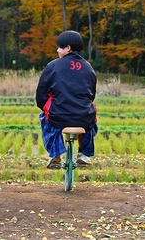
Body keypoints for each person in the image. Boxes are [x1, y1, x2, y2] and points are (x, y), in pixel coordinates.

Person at [35, 30, 98, 169]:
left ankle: (55, 154)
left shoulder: (53, 66)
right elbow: (91, 94)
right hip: (84, 116)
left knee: (45, 116)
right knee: (91, 119)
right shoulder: (88, 67)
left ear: (68, 48)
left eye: (59, 47)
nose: (57, 50)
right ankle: (84, 154)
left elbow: (41, 95)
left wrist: (46, 107)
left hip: (59, 115)